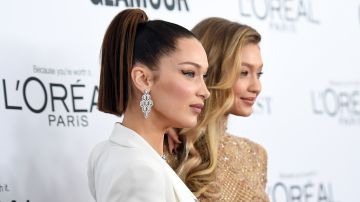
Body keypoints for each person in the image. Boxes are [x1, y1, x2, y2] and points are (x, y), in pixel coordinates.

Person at [88, 8, 210, 202]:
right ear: (143, 79)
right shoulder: (140, 170)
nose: (205, 91)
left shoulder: (106, 152)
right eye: (189, 73)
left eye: (204, 76)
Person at [165, 17, 269, 201]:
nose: (256, 86)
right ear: (211, 72)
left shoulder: (256, 155)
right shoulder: (168, 149)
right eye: (243, 73)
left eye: (259, 73)